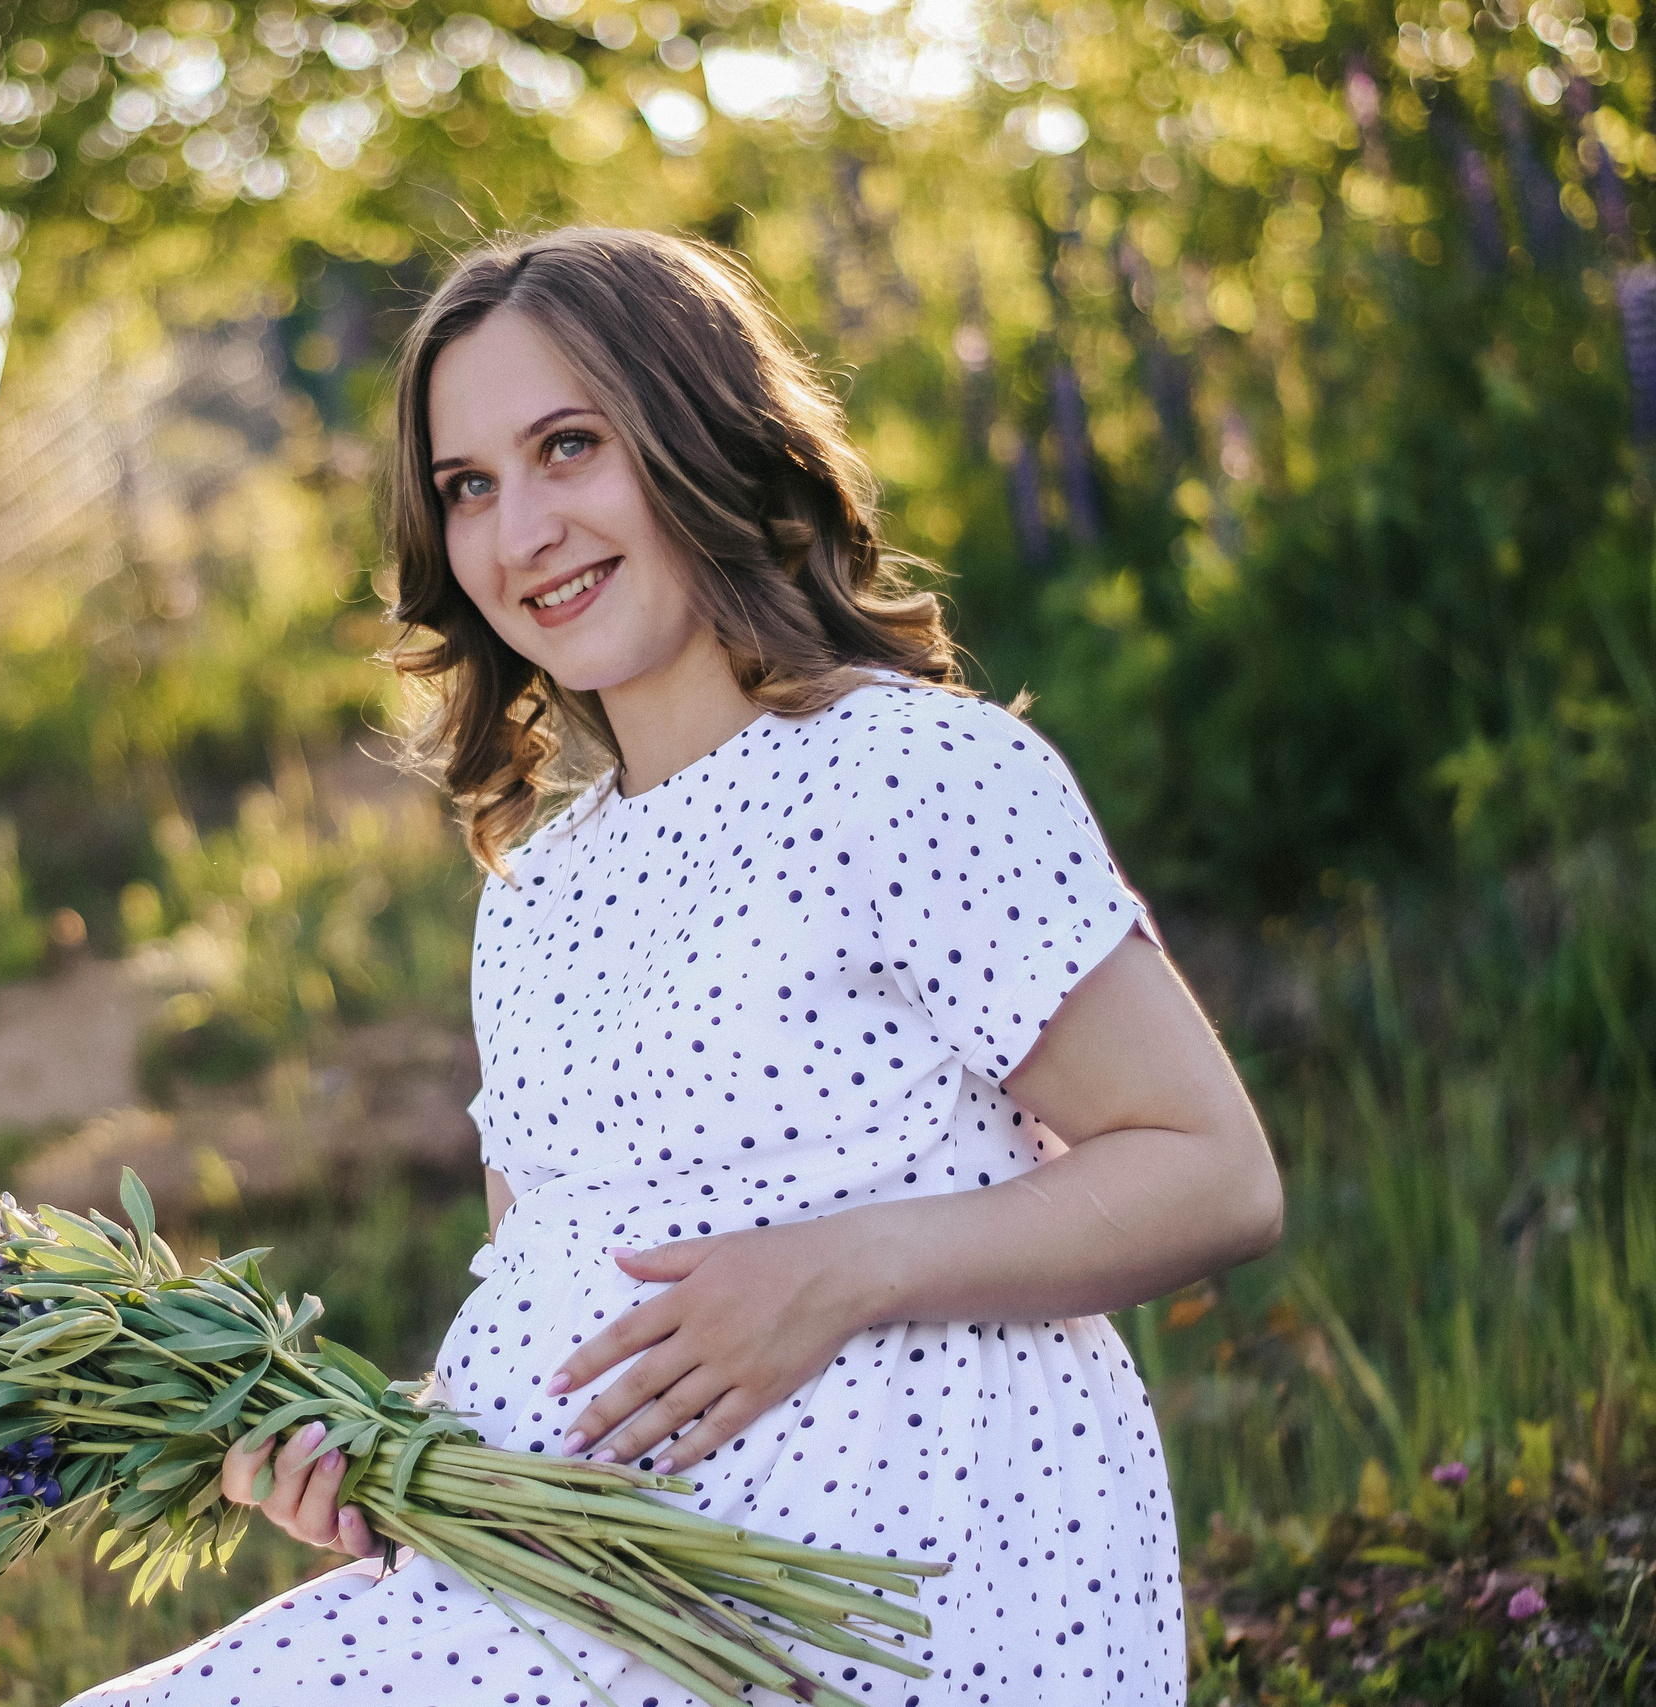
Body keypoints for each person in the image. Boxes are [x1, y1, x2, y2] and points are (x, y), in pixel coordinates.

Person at [69, 227, 1283, 1707]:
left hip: (898, 1582)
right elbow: (566, 1304)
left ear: (704, 437)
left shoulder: (910, 770)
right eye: (469, 488)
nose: (521, 534)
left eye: (569, 446)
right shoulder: (534, 894)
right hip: (602, 1580)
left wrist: (841, 1272)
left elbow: (1214, 1171)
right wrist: (389, 1459)